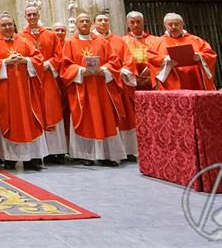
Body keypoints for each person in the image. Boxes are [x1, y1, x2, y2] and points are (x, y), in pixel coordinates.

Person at [0, 13, 48, 171]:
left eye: (10, 24)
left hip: (26, 91)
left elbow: (38, 59)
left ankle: (31, 158)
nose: (7, 28)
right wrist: (5, 62)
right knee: (7, 122)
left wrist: (25, 61)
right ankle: (10, 158)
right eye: (4, 25)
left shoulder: (24, 42)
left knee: (29, 122)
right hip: (5, 92)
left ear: (14, 25)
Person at [60, 13, 125, 166]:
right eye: (81, 21)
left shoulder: (102, 42)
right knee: (85, 119)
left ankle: (108, 155)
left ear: (91, 24)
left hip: (101, 87)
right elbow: (65, 66)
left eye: (87, 21)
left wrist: (105, 69)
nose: (84, 23)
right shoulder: (69, 44)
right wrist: (81, 71)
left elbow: (114, 61)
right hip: (82, 88)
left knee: (105, 118)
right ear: (76, 24)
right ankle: (86, 155)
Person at [18, 6, 67, 163]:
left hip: (48, 78)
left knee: (51, 108)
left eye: (34, 14)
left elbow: (59, 56)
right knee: (34, 111)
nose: (32, 17)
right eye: (29, 14)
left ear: (39, 15)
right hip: (31, 80)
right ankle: (39, 151)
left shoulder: (51, 35)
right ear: (25, 16)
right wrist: (35, 65)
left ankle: (56, 151)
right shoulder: (21, 37)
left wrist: (48, 64)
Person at [93, 14, 137, 159]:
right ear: (95, 23)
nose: (103, 22)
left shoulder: (119, 41)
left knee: (125, 117)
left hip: (119, 84)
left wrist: (123, 71)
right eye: (100, 20)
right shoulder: (91, 41)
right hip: (101, 84)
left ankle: (129, 150)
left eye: (105, 20)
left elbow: (128, 59)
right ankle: (111, 152)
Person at [147, 13, 217, 91]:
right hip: (170, 81)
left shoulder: (196, 40)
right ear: (165, 25)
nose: (173, 27)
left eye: (177, 24)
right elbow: (151, 57)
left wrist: (200, 56)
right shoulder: (157, 42)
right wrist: (166, 59)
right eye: (170, 24)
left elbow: (210, 54)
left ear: (182, 24)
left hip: (194, 79)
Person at [122, 11, 158, 90]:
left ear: (143, 23)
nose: (135, 25)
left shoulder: (155, 40)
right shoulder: (122, 41)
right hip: (132, 81)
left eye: (138, 22)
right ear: (128, 24)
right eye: (132, 22)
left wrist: (150, 74)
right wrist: (134, 78)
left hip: (152, 79)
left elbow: (159, 59)